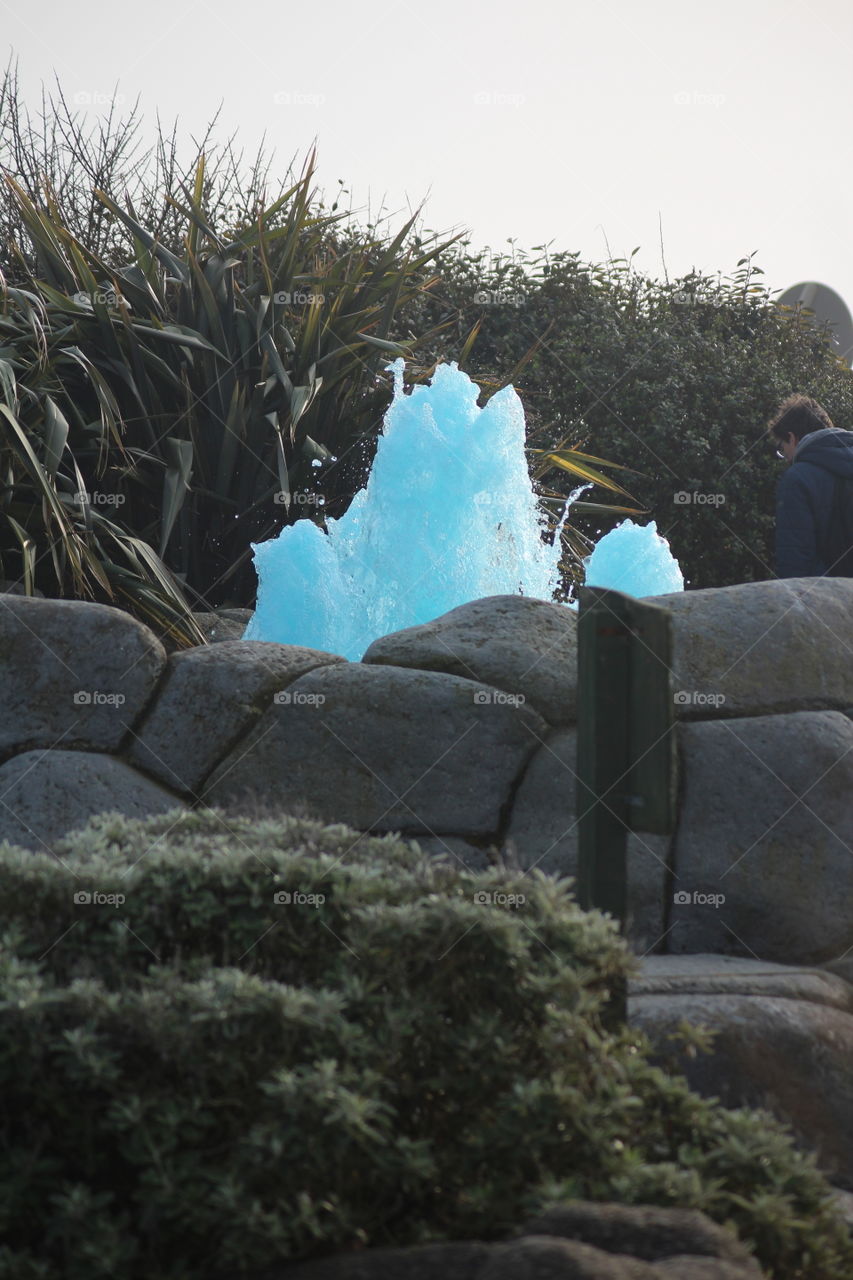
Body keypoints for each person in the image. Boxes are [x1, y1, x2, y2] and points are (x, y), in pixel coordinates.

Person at [768, 394, 853, 577]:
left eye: (782, 448)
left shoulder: (797, 479)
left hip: (829, 593)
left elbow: (795, 563)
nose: (786, 457)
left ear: (792, 438)